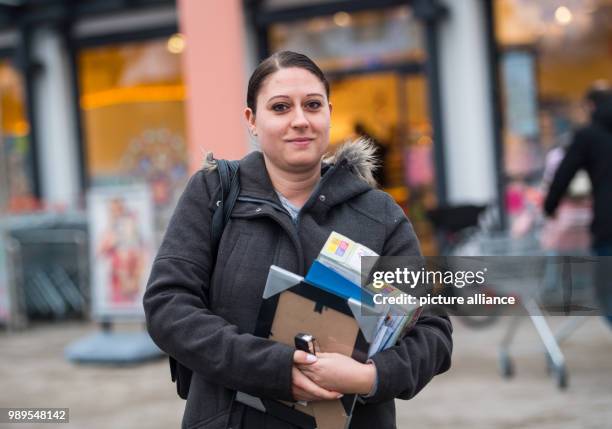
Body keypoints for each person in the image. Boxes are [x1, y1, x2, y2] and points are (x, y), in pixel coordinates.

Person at [143, 51, 452, 429]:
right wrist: (275, 368)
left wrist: (369, 377)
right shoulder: (213, 195)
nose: (300, 120)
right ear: (252, 121)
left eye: (312, 105)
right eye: (280, 107)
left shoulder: (379, 214)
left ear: (329, 113)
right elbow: (168, 307)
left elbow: (432, 331)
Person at [544, 81, 612, 325]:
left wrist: (549, 207)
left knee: (607, 293)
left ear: (591, 105)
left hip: (608, 224)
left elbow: (564, 173)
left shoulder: (588, 135)